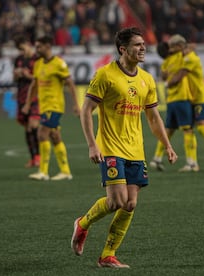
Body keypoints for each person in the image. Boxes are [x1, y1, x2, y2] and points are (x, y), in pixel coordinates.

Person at [71, 27, 177, 268]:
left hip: (135, 150)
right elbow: (87, 110)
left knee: (130, 204)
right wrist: (92, 144)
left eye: (143, 44)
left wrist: (167, 145)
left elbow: (153, 118)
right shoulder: (105, 76)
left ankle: (108, 254)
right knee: (117, 201)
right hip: (110, 148)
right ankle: (83, 223)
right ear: (123, 49)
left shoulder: (146, 79)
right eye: (138, 45)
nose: (143, 48)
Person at [22, 35, 80, 181]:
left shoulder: (59, 64)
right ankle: (66, 172)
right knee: (55, 137)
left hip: (54, 106)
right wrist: (28, 103)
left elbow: (70, 84)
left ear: (48, 46)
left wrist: (76, 105)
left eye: (39, 46)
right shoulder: (38, 64)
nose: (36, 49)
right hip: (44, 106)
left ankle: (43, 172)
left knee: (42, 134)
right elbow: (34, 85)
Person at [168, 34, 204, 172]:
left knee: (202, 128)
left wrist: (168, 83)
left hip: (200, 98)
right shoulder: (186, 55)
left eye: (172, 47)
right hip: (192, 99)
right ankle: (192, 163)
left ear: (179, 46)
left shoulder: (190, 59)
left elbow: (179, 76)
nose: (170, 50)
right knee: (189, 130)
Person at [149, 36, 197, 172]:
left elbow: (163, 76)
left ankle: (157, 158)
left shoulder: (166, 63)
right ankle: (191, 163)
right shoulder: (180, 57)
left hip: (171, 100)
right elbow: (190, 49)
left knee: (169, 130)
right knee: (188, 130)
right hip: (182, 98)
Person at [13, 35, 40, 168]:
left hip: (35, 96)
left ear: (28, 44)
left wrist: (27, 74)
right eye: (20, 50)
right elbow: (14, 79)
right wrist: (17, 75)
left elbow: (39, 78)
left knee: (34, 125)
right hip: (22, 96)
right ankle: (33, 157)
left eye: (23, 49)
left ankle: (39, 156)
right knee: (27, 128)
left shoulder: (37, 59)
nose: (22, 52)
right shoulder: (18, 60)